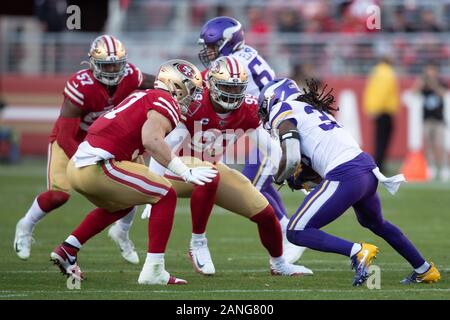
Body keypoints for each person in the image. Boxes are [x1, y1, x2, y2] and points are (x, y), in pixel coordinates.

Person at [258, 78, 441, 286]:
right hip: (366, 168)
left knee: (296, 231)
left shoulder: (283, 108)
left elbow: (291, 157)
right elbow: (316, 166)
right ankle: (424, 269)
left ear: (272, 100)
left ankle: (357, 251)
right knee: (375, 222)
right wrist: (301, 178)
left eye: (263, 109)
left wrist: (279, 176)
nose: (264, 116)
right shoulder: (312, 109)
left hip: (345, 173)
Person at [50, 59, 218, 285]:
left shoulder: (142, 95)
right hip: (99, 165)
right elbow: (152, 140)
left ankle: (68, 249)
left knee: (124, 203)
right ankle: (154, 271)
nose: (196, 97)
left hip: (79, 167)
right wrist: (184, 171)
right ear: (178, 86)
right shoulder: (165, 100)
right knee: (166, 194)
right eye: (193, 90)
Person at [145, 56, 313, 277]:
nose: (231, 95)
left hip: (210, 168)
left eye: (237, 89)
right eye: (225, 87)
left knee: (264, 212)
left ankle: (279, 263)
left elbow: (270, 147)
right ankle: (197, 243)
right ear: (212, 84)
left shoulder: (248, 108)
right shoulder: (194, 104)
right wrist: (153, 186)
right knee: (210, 174)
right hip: (174, 169)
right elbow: (166, 146)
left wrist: (289, 167)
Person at [14, 35, 156, 263]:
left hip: (112, 142)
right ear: (92, 63)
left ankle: (121, 232)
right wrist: (88, 162)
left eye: (116, 64)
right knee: (58, 196)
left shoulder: (130, 75)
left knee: (134, 191)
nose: (111, 69)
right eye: (106, 64)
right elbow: (66, 135)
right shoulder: (81, 86)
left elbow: (157, 83)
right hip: (74, 141)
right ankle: (26, 225)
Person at [197, 16, 305, 263]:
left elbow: (203, 81)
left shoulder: (232, 62)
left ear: (227, 42)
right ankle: (288, 229)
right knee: (258, 184)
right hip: (266, 123)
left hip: (271, 127)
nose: (208, 51)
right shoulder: (245, 53)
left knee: (250, 187)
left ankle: (289, 235)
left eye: (212, 45)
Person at [412, 62, 449, 181]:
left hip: (438, 120)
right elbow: (414, 92)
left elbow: (444, 94)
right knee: (429, 145)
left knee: (440, 145)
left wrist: (434, 85)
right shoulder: (424, 84)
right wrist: (420, 84)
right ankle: (430, 167)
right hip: (427, 119)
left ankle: (444, 168)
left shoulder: (440, 82)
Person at [363, 56, 400, 173]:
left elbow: (371, 91)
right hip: (384, 111)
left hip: (378, 110)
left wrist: (371, 108)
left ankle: (379, 163)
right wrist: (378, 108)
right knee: (383, 140)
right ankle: (379, 165)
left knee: (379, 139)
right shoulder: (387, 73)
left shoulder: (376, 72)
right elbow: (382, 93)